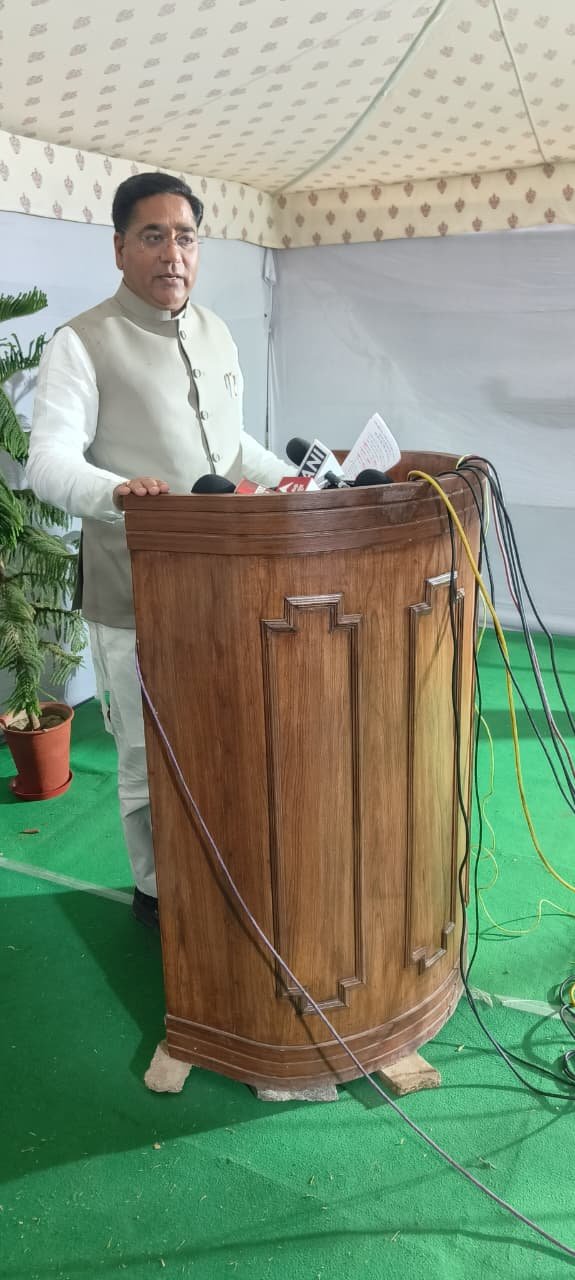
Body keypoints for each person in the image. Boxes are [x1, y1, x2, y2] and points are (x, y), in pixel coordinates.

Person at [26, 171, 295, 930]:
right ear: (119, 248)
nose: (172, 253)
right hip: (133, 590)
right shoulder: (82, 342)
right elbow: (48, 462)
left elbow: (229, 447)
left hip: (230, 586)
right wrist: (116, 492)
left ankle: (224, 874)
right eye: (153, 236)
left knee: (226, 736)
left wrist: (291, 481)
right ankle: (157, 893)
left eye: (186, 237)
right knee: (146, 756)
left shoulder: (216, 332)